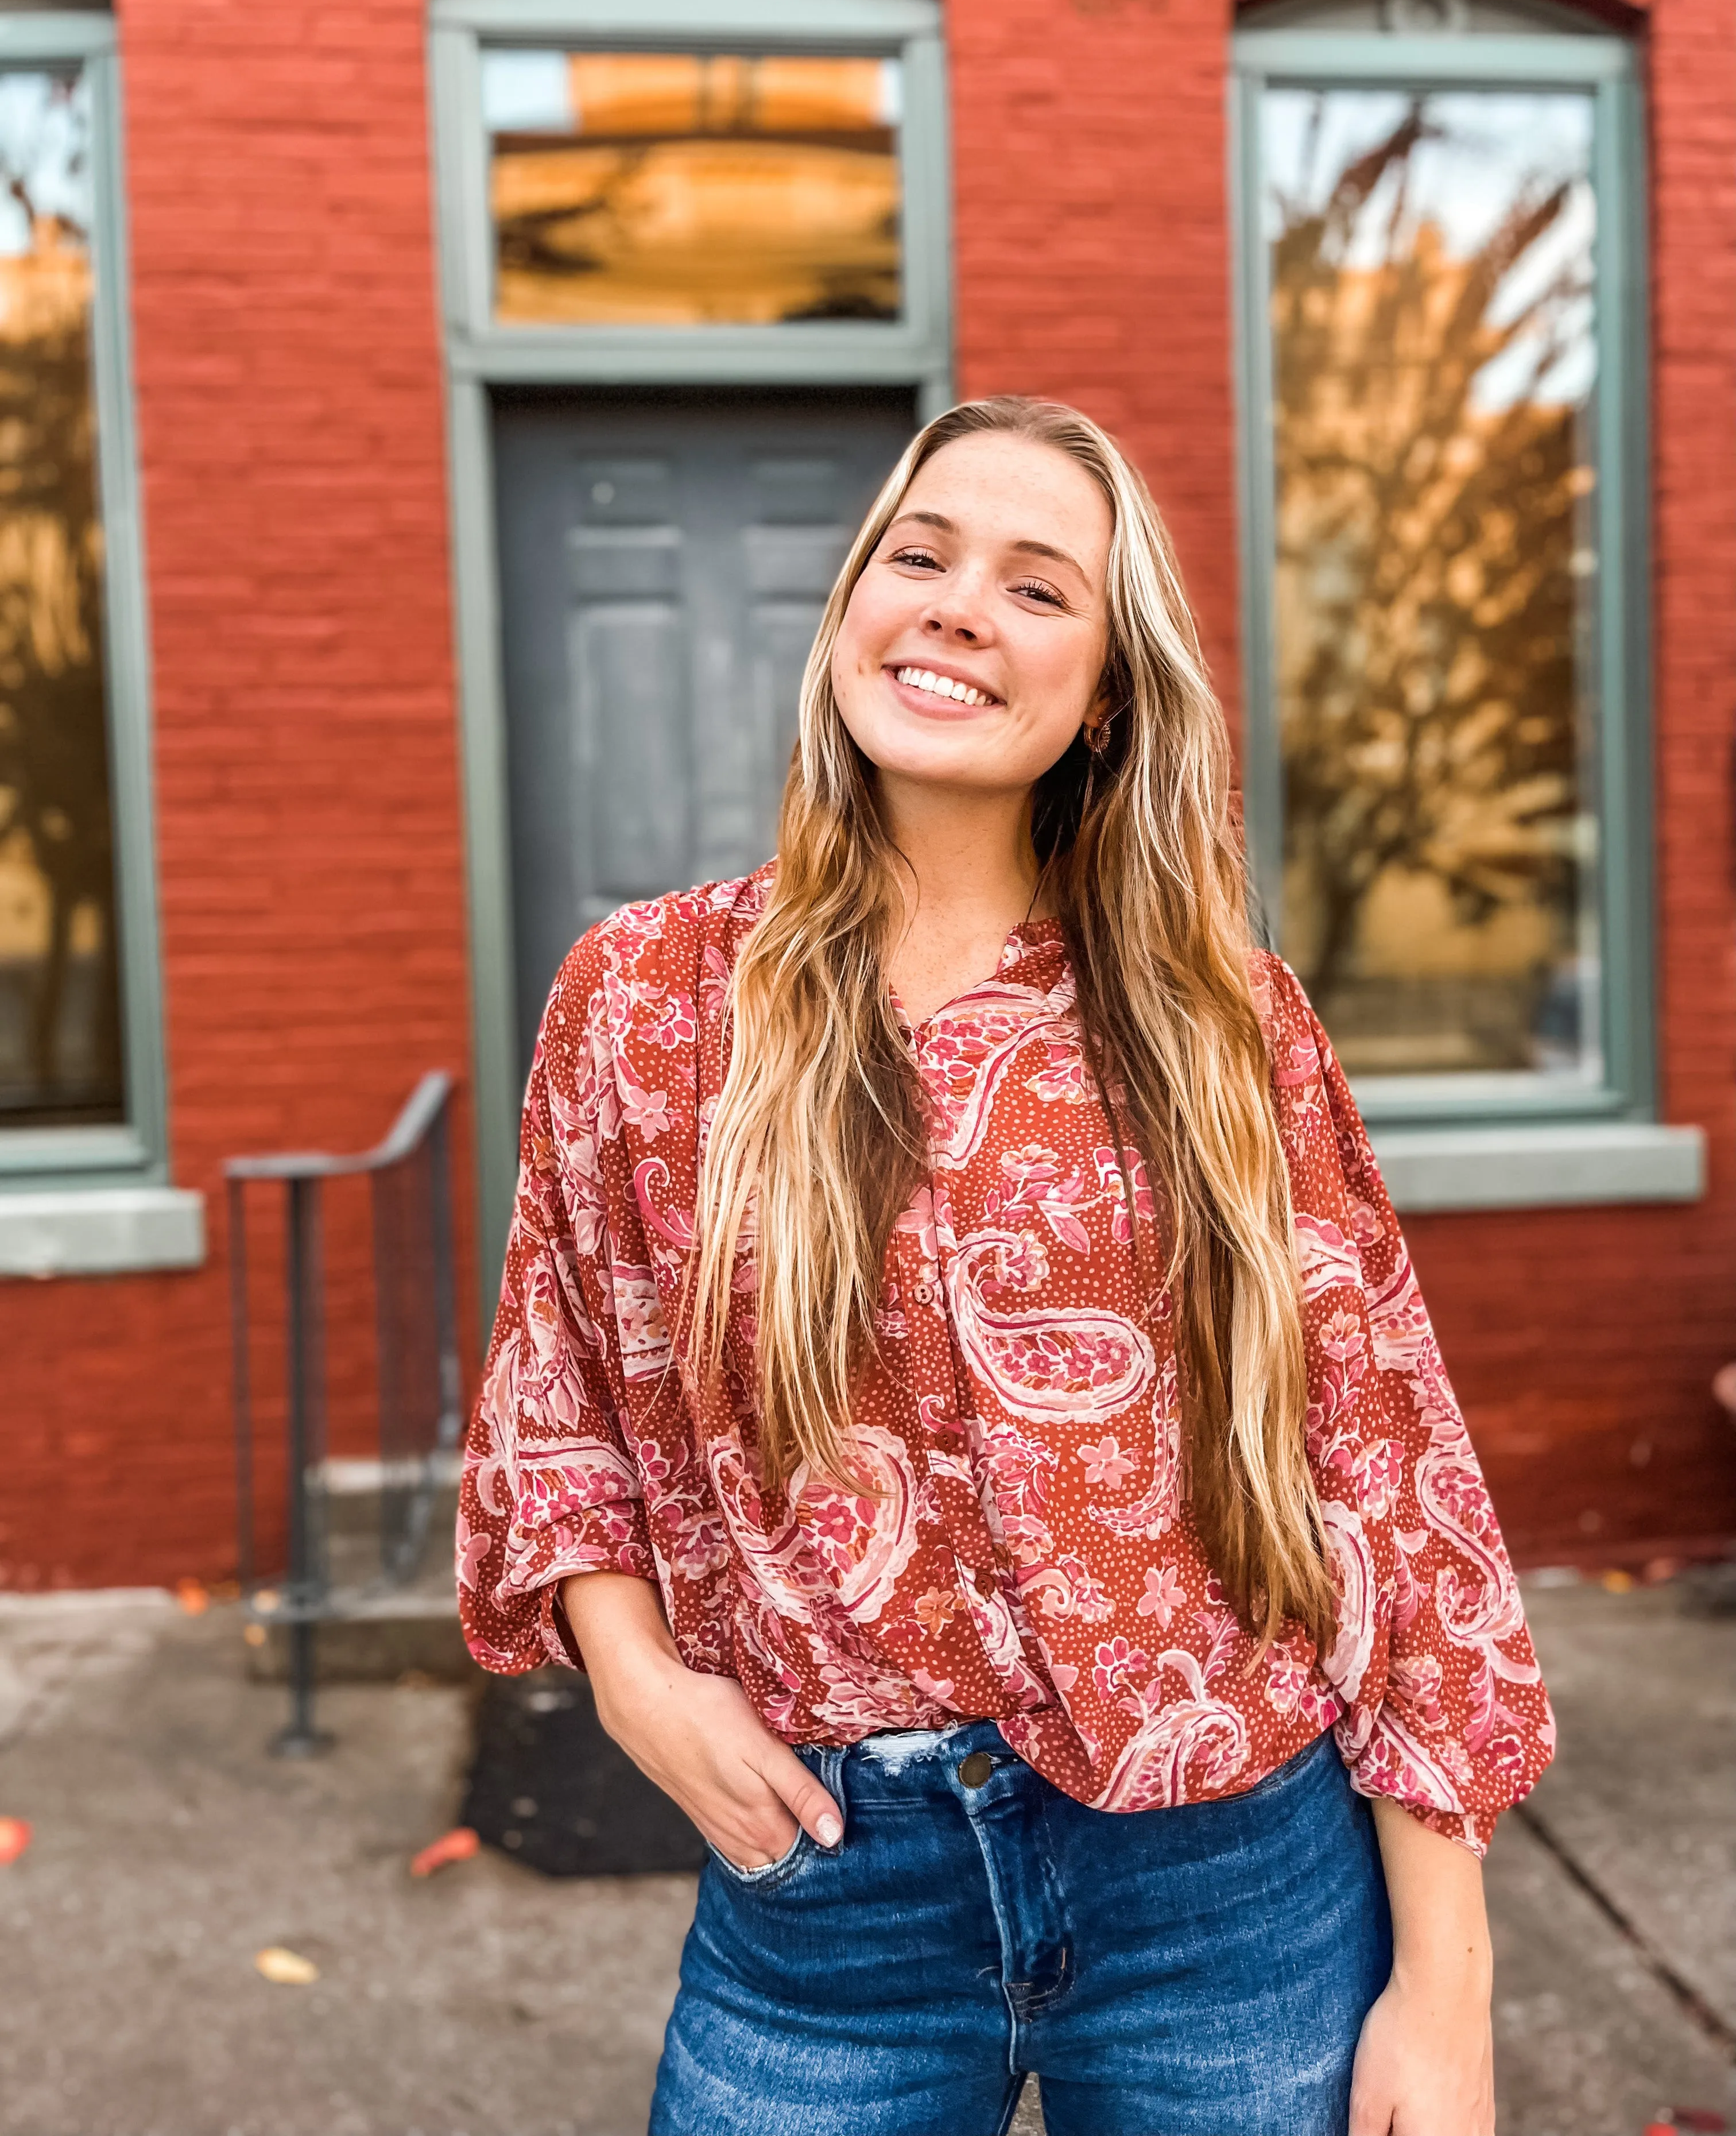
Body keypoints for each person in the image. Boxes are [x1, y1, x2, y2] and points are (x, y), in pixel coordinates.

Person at [458, 396, 1553, 2136]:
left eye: (1041, 587)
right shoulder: (649, 999)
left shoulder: (1222, 1027)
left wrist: (1449, 1983)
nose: (961, 604)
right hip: (826, 1900)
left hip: (1231, 1889)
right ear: (850, 614)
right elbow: (561, 1386)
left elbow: (1389, 1473)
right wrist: (636, 1680)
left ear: (1110, 694)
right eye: (922, 554)